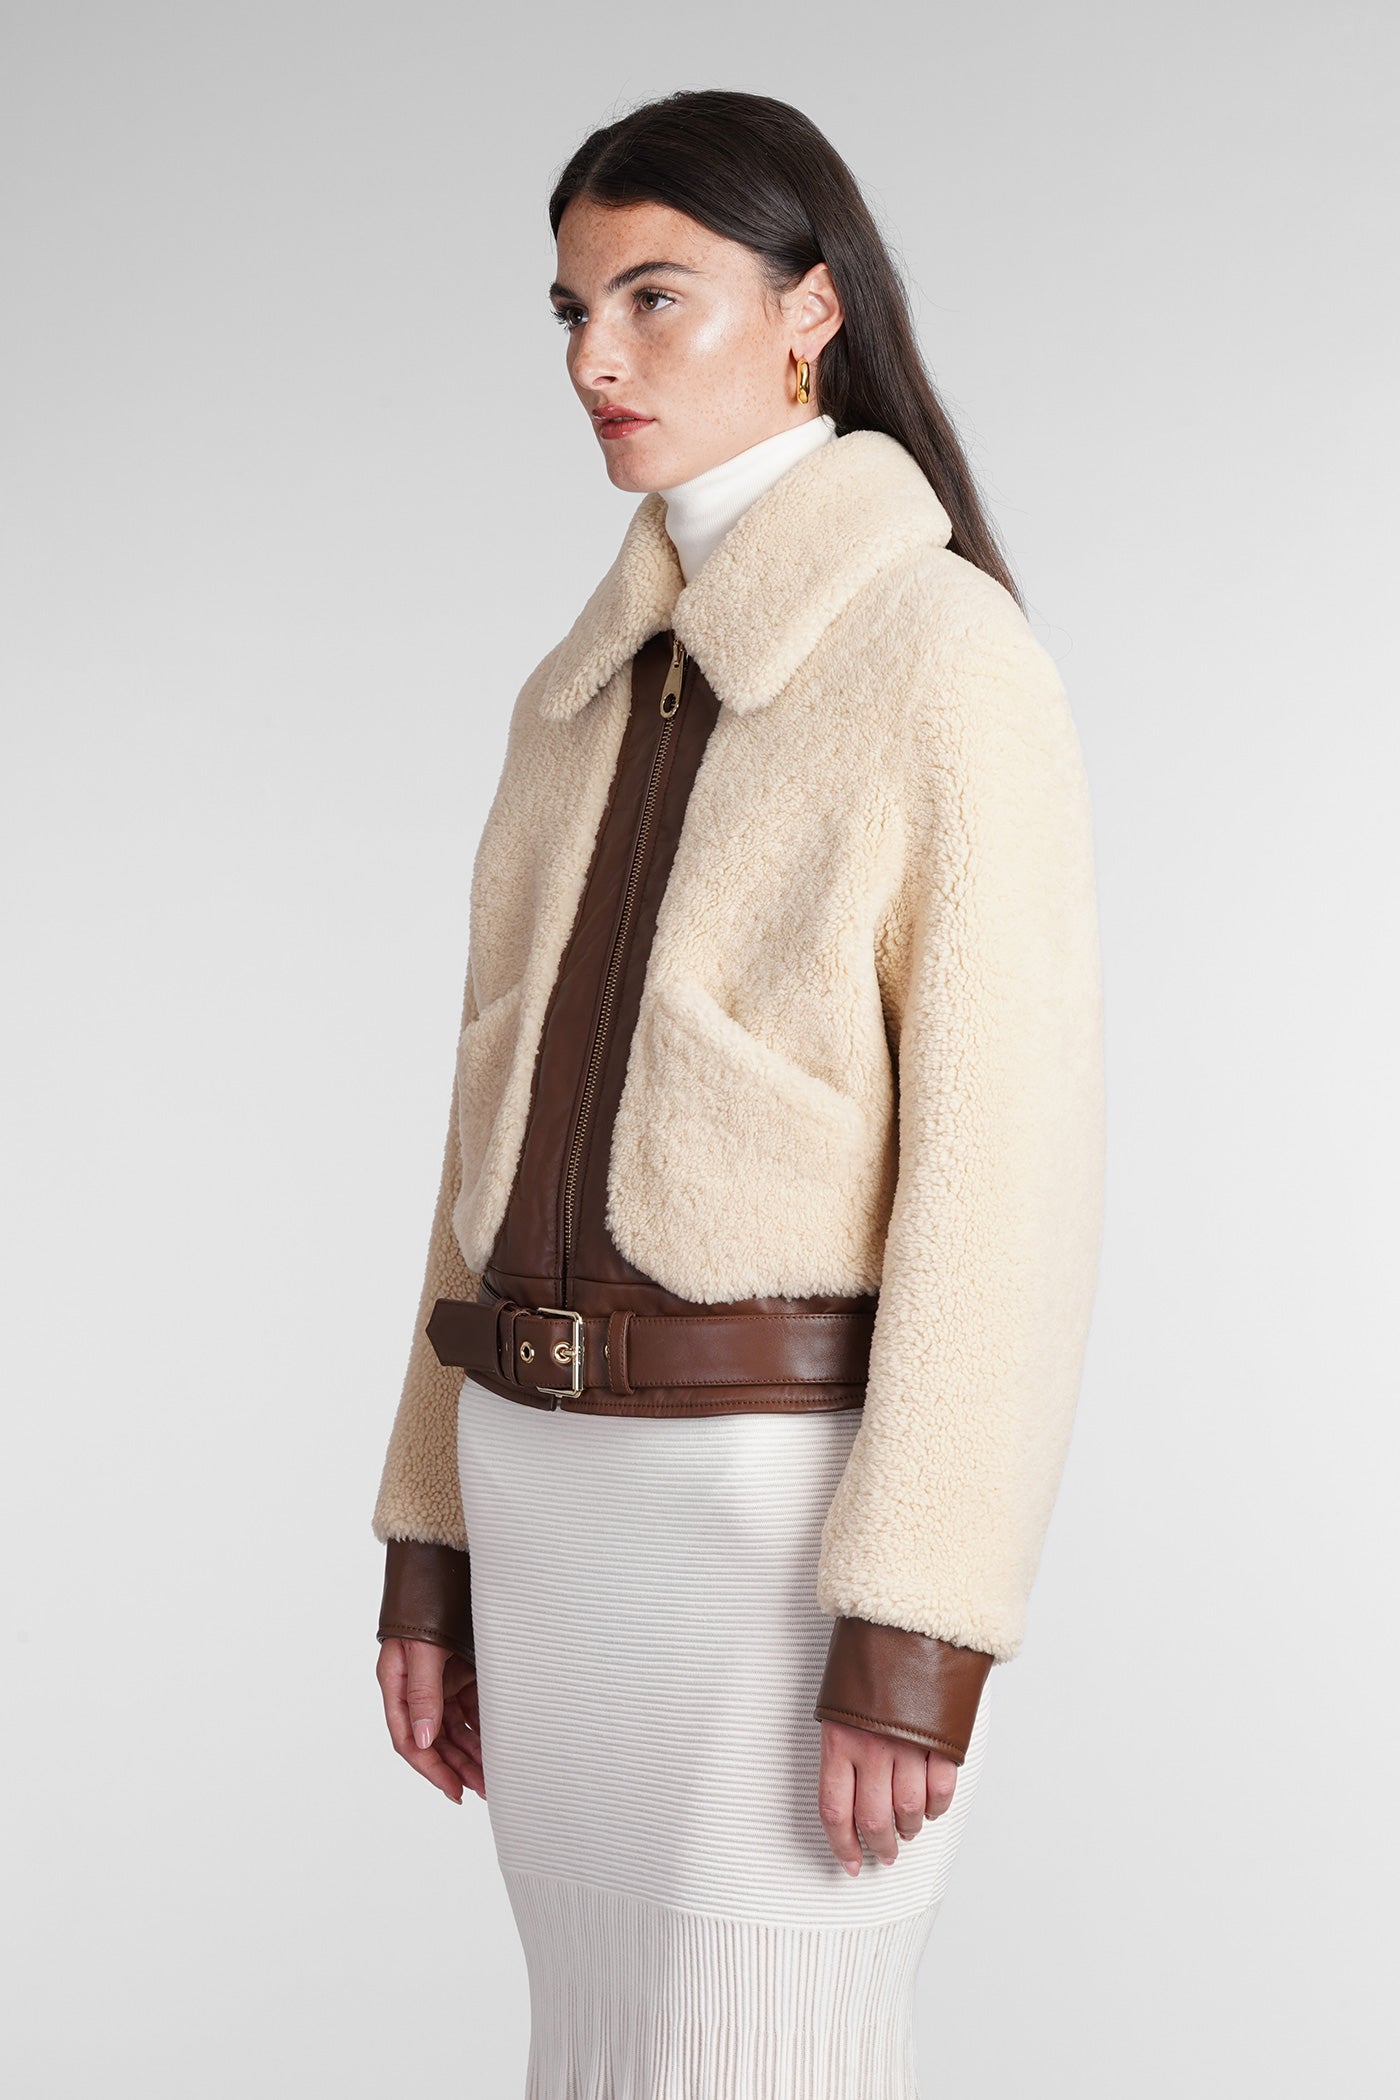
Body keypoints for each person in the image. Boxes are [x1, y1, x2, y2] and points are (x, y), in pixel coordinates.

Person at [370, 87, 1105, 2099]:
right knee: (599, 2052)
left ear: (809, 311)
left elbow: (1010, 1187)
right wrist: (428, 1534)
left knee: (761, 2050)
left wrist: (919, 1622)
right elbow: (479, 1145)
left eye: (654, 297)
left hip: (770, 1529)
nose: (594, 360)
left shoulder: (944, 659)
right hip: (544, 1507)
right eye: (570, 309)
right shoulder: (575, 694)